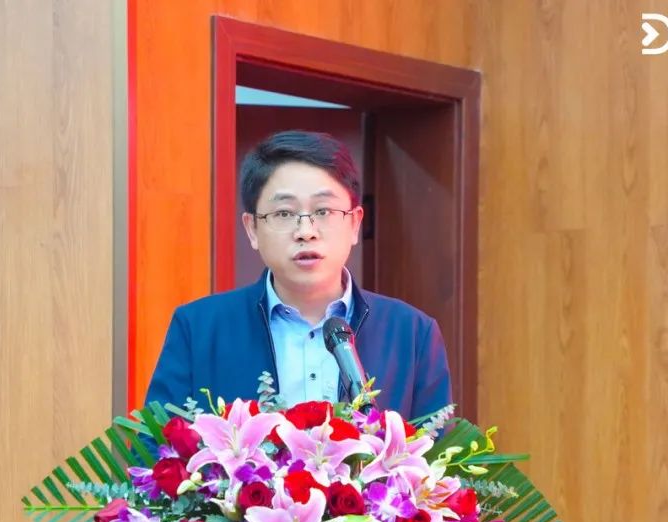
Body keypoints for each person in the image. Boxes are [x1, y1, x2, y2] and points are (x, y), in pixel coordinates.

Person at [145, 129, 451, 420]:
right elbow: (155, 449)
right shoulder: (198, 328)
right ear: (252, 229)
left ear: (355, 224)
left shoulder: (412, 333)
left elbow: (440, 452)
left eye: (324, 211)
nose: (306, 231)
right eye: (284, 213)